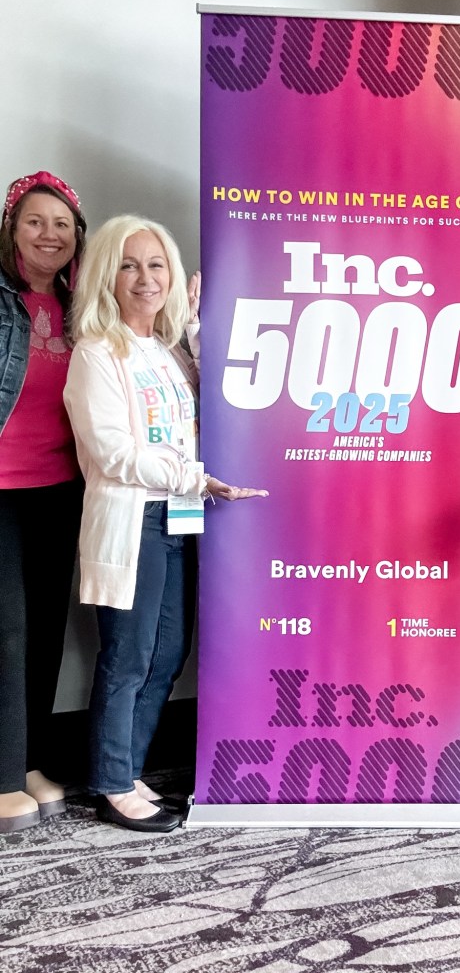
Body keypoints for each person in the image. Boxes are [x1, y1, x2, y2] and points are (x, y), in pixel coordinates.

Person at [64, 215, 267, 833]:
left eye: (157, 265)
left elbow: (205, 407)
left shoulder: (166, 351)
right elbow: (111, 452)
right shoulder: (96, 353)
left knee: (168, 653)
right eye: (129, 265)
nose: (145, 278)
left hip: (178, 520)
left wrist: (199, 329)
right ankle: (111, 781)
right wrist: (195, 477)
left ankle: (128, 769)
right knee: (128, 656)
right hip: (135, 520)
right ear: (107, 275)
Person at [0, 171, 87, 834]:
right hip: (2, 488)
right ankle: (2, 774)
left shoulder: (82, 305)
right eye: (36, 221)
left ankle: (27, 760)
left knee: (48, 629)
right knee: (8, 630)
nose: (49, 234)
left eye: (61, 224)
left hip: (61, 488)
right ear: (12, 230)